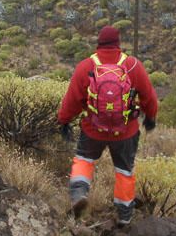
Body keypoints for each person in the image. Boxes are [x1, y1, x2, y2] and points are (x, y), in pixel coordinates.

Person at [58, 26, 158, 225]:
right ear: (118, 43)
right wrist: (150, 118)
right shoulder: (132, 65)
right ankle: (124, 216)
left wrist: (64, 121)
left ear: (99, 43)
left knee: (84, 159)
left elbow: (72, 100)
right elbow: (149, 97)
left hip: (93, 130)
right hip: (126, 132)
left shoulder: (86, 66)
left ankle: (79, 195)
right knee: (124, 171)